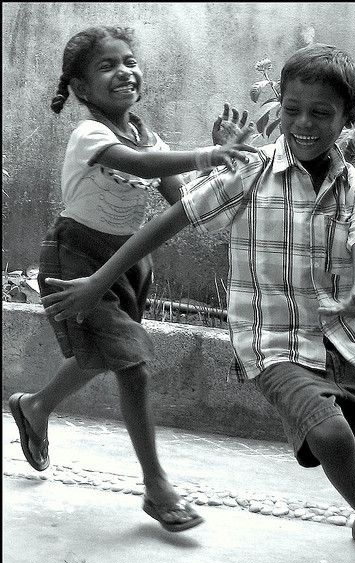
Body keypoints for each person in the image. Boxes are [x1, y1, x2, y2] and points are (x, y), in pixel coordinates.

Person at [41, 43, 355, 563]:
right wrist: (99, 281)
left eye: (321, 113)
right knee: (331, 433)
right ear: (279, 105)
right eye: (292, 108)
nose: (303, 122)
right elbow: (170, 221)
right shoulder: (252, 171)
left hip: (342, 336)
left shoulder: (352, 186)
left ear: (349, 120)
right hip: (271, 341)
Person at [8, 25, 256, 533]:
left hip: (125, 262)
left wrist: (223, 167)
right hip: (77, 258)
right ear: (79, 88)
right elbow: (138, 165)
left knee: (101, 356)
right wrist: (206, 155)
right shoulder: (90, 135)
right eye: (107, 66)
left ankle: (34, 406)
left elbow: (184, 202)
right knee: (134, 364)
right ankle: (157, 488)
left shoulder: (148, 136)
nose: (125, 71)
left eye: (129, 60)